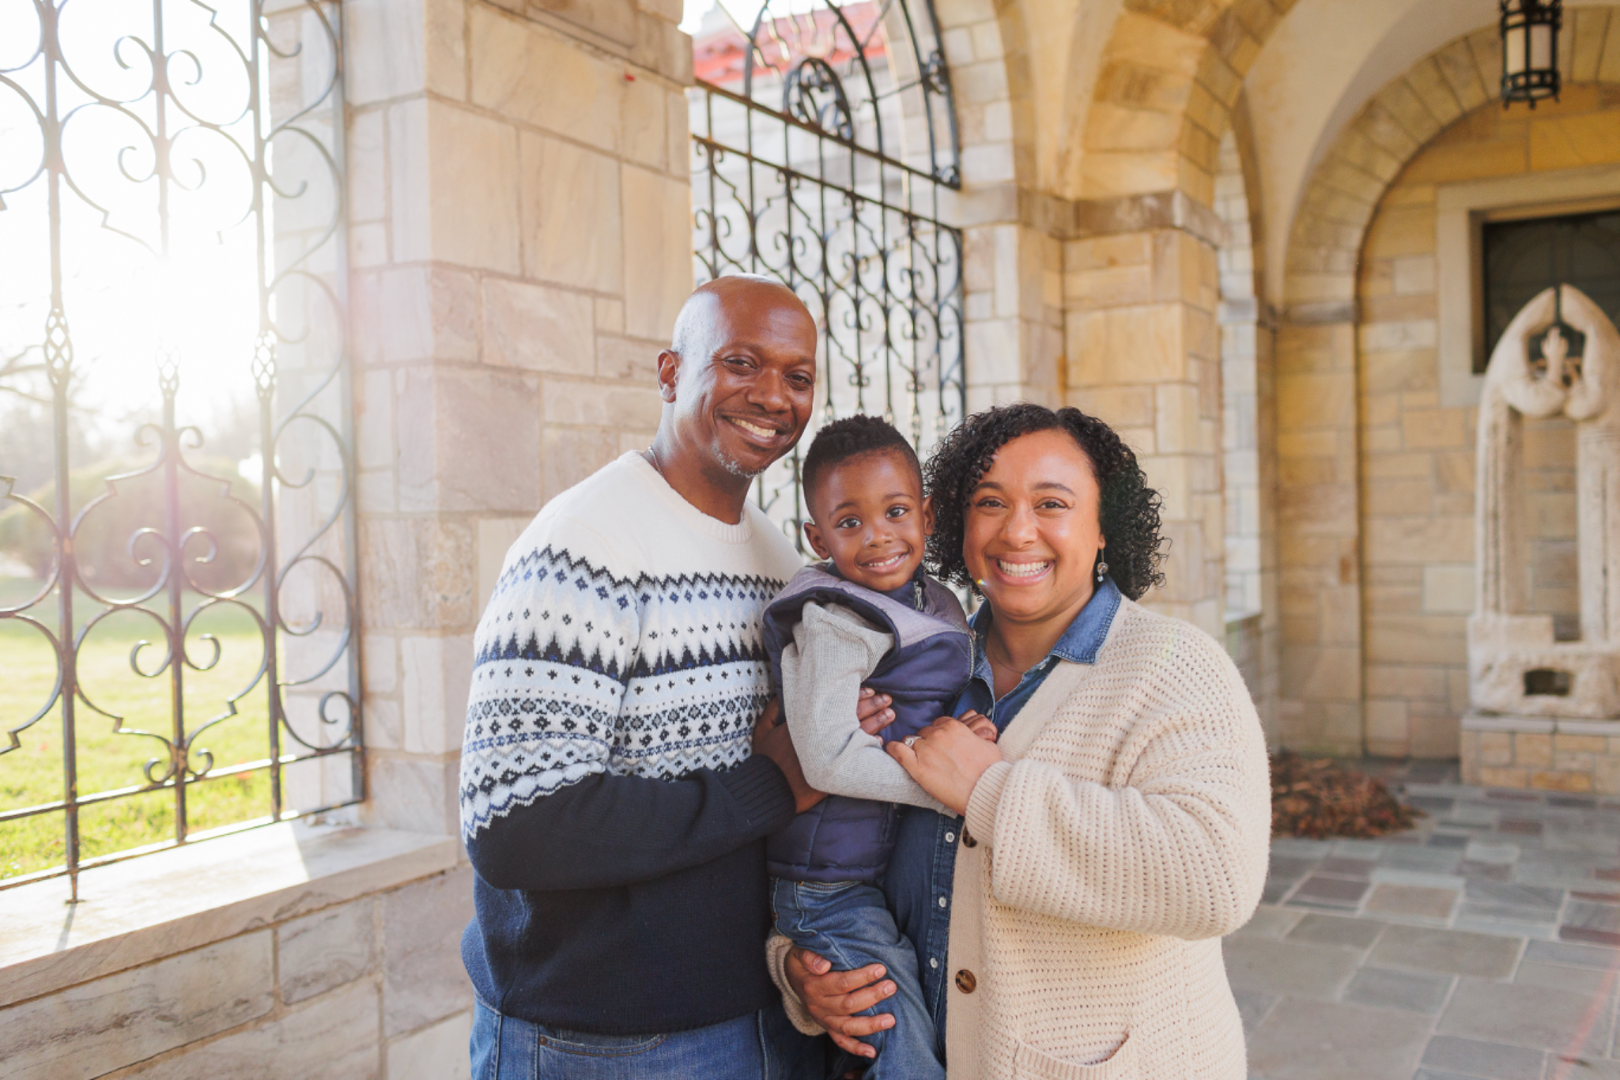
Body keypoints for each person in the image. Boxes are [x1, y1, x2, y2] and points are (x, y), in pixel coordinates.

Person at [458, 275, 890, 1079]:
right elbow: (515, 824)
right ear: (670, 373)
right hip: (606, 1041)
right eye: (740, 363)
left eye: (797, 377)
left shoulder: (780, 563)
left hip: (763, 1014)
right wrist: (767, 785)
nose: (773, 396)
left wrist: (799, 964)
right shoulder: (584, 544)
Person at [773, 403, 1272, 1080]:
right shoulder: (920, 661)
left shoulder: (1173, 667)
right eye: (990, 502)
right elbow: (843, 847)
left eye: (1051, 503)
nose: (1016, 530)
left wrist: (987, 791)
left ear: (1104, 525)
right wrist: (802, 970)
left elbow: (1215, 880)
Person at [760, 415, 993, 1080]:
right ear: (817, 538)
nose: (878, 536)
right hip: (826, 886)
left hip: (874, 872)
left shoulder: (936, 602)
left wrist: (963, 732)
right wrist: (950, 786)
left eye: (895, 512)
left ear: (926, 514)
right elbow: (826, 757)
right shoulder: (836, 619)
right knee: (901, 1042)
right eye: (850, 522)